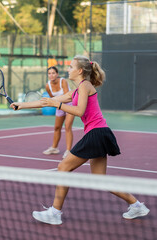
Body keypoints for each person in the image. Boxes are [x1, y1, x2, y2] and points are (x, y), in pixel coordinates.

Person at [10, 55, 150, 225]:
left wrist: (58, 105)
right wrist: (20, 104)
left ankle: (55, 213)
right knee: (100, 180)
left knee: (63, 167)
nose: (68, 69)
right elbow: (47, 101)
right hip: (100, 133)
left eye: (70, 66)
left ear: (80, 70)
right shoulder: (76, 90)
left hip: (96, 133)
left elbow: (79, 111)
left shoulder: (85, 86)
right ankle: (137, 205)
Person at [43, 66, 75, 159]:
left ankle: (68, 151)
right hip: (59, 106)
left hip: (69, 104)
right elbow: (52, 98)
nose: (51, 75)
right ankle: (54, 148)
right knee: (57, 127)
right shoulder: (48, 85)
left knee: (68, 126)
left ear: (57, 74)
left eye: (53, 73)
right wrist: (50, 102)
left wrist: (55, 102)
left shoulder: (63, 81)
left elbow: (66, 96)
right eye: (49, 73)